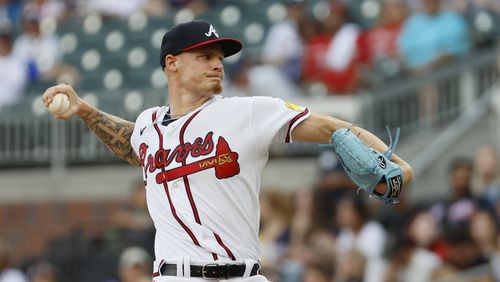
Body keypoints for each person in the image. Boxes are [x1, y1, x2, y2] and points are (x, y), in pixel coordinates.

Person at [42, 20, 413, 281]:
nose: (217, 64)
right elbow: (133, 143)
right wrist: (86, 111)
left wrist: (394, 161)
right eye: (204, 56)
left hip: (244, 275)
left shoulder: (246, 112)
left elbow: (333, 128)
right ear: (172, 64)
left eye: (219, 56)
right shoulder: (148, 125)